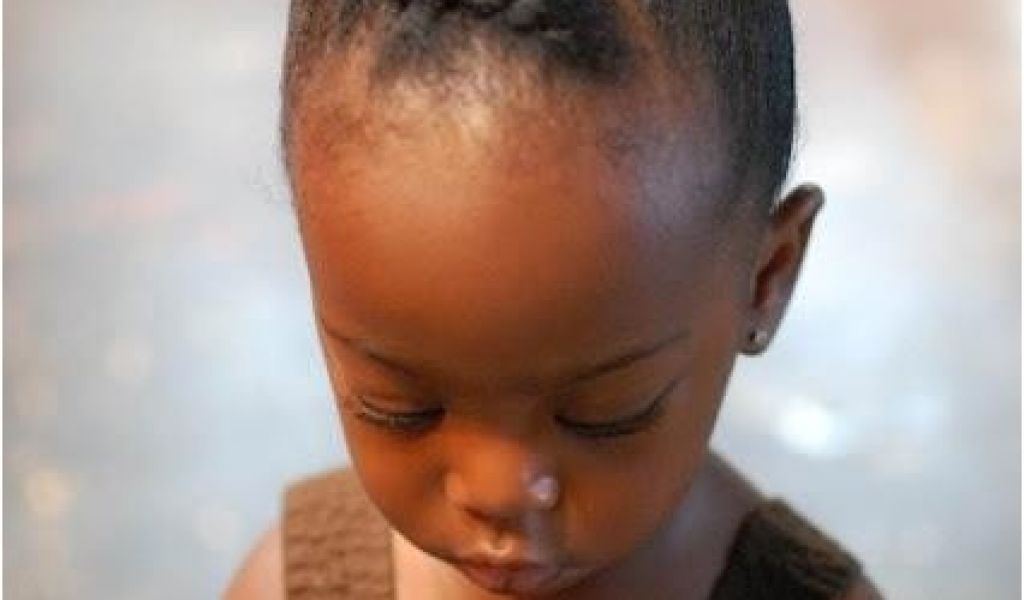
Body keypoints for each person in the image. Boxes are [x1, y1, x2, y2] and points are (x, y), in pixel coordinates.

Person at [227, 0, 883, 597]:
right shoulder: (297, 586)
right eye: (399, 408)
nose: (499, 494)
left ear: (765, 278)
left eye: (607, 415)